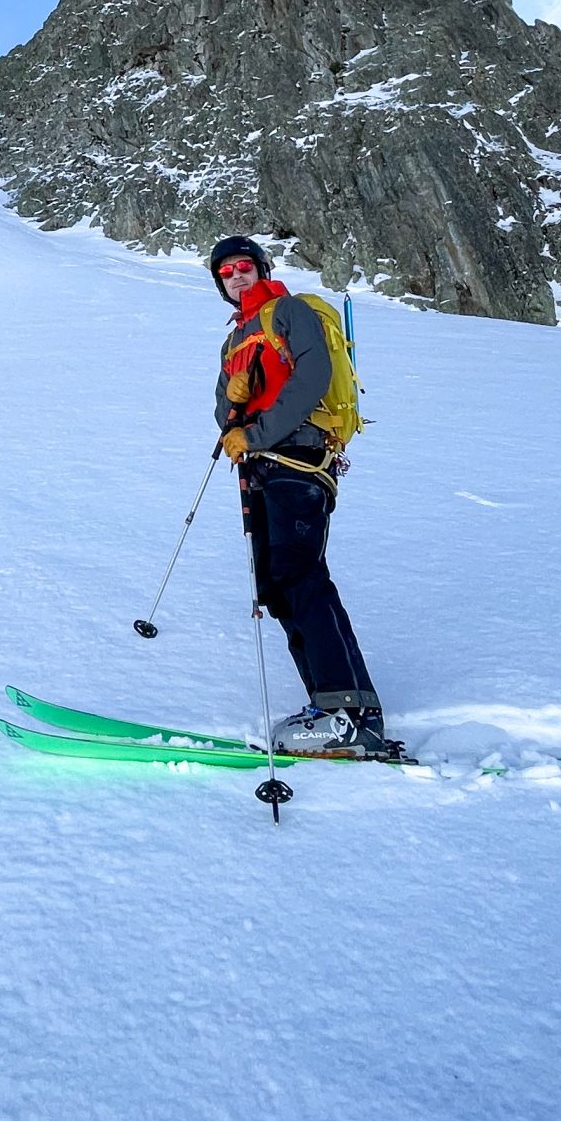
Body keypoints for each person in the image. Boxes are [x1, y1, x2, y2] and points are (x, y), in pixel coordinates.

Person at [208, 234, 402, 758]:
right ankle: (336, 706)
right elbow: (221, 417)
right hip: (260, 467)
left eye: (244, 267)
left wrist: (257, 431)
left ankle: (346, 713)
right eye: (225, 273)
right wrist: (233, 410)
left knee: (300, 575)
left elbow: (313, 377)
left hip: (297, 460)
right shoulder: (234, 340)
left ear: (261, 268)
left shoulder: (289, 312)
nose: (236, 277)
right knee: (278, 585)